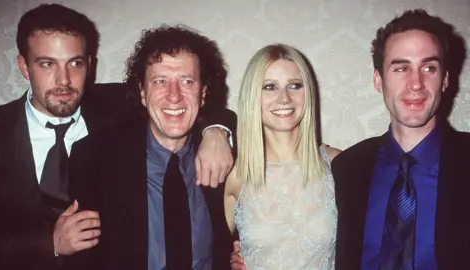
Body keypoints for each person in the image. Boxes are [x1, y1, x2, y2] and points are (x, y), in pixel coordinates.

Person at [0, 4, 235, 270]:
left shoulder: (117, 103)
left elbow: (185, 102)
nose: (63, 80)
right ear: (24, 67)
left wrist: (217, 131)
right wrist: (48, 242)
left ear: (89, 64)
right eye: (47, 64)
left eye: (75, 63)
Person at [66, 25, 235, 270]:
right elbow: (81, 257)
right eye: (160, 81)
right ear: (143, 93)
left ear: (203, 93)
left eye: (187, 81)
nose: (174, 96)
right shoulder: (94, 157)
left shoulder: (230, 158)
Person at [331, 9, 470, 270]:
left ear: (445, 80)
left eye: (429, 68)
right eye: (401, 68)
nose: (416, 83)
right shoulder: (347, 167)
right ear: (378, 80)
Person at [225, 44, 341, 270]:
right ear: (252, 97)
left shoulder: (339, 165)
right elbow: (202, 253)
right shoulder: (235, 175)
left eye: (294, 86)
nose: (284, 98)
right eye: (269, 87)